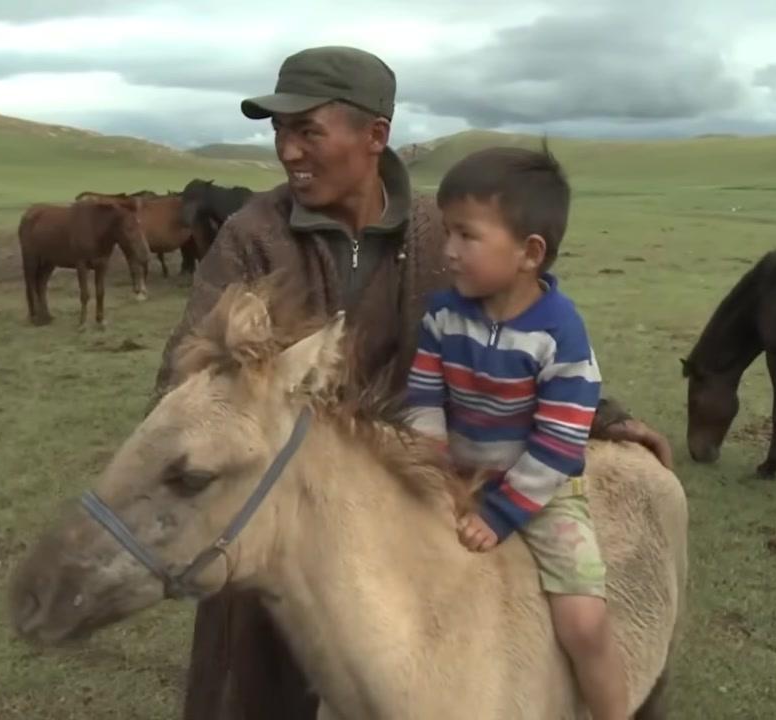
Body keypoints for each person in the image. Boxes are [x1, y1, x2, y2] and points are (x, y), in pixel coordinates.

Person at [147, 44, 675, 720]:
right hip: (280, 520)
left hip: (406, 521)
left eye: (308, 129)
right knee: (254, 695)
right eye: (279, 130)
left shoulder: (444, 234)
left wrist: (607, 414)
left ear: (375, 136)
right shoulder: (254, 237)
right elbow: (187, 375)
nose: (287, 150)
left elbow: (519, 334)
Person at [405, 145, 626, 719]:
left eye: (466, 235)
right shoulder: (442, 315)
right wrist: (433, 470)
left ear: (530, 253)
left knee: (584, 621)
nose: (447, 251)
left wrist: (501, 514)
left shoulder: (562, 337)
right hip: (456, 477)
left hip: (544, 493)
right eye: (446, 232)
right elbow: (425, 398)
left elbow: (558, 445)